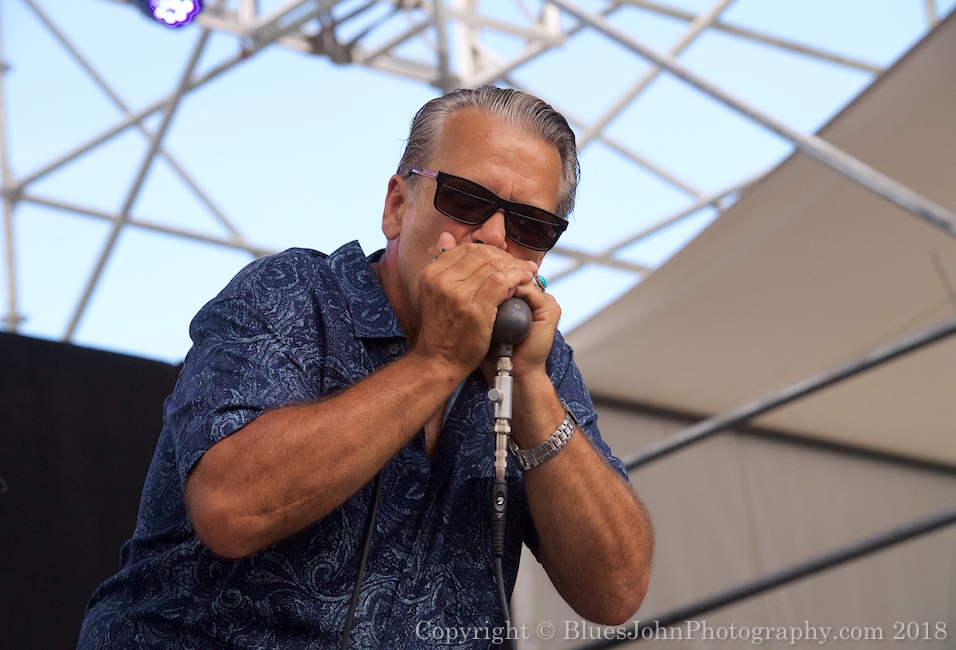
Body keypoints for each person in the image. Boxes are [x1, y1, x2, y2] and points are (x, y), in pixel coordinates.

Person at [77, 85, 653, 649]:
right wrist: (438, 361)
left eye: (530, 226)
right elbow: (232, 510)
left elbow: (616, 594)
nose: (495, 237)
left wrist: (529, 387)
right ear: (398, 206)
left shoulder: (539, 360)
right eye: (467, 201)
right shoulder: (291, 294)